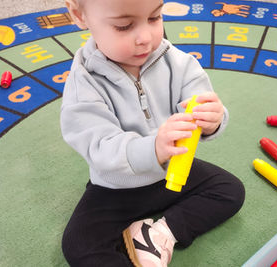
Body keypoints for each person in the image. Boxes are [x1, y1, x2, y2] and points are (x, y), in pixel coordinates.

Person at [60, 0, 245, 266]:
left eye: (155, 17)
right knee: (79, 244)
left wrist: (212, 120)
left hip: (172, 173)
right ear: (79, 15)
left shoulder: (177, 62)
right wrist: (153, 149)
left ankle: (157, 235)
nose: (146, 38)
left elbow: (200, 100)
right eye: (124, 26)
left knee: (230, 190)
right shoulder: (84, 85)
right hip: (116, 188)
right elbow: (100, 147)